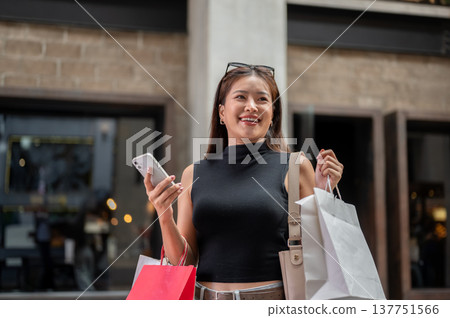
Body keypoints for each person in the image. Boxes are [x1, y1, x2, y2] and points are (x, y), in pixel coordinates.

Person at [144, 62, 344, 300]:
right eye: (241, 97)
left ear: (272, 115)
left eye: (262, 99)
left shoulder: (295, 166)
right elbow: (184, 263)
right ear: (221, 113)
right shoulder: (193, 174)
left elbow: (321, 254)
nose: (251, 107)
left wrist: (324, 193)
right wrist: (165, 217)